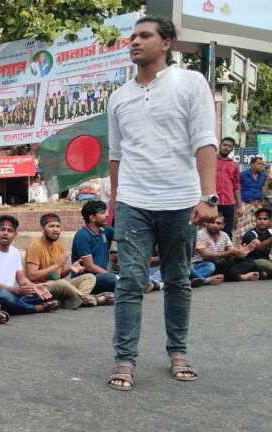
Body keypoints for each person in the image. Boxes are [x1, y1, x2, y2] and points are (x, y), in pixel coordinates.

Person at [106, 16, 218, 390]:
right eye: (132, 36)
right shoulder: (118, 97)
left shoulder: (190, 82)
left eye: (144, 35)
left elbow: (205, 140)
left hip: (182, 202)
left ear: (166, 43)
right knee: (130, 281)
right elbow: (116, 155)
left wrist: (208, 196)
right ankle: (124, 360)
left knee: (177, 280)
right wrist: (114, 202)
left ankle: (178, 352)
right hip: (134, 201)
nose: (134, 41)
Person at [0, 215, 59, 315]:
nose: (5, 233)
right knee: (4, 295)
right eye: (2, 229)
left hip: (10, 293)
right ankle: (36, 308)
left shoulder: (15, 252)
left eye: (10, 231)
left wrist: (34, 287)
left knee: (40, 294)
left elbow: (21, 279)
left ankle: (9, 306)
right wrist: (17, 291)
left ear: (15, 234)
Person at [26, 213, 114, 309]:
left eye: (58, 226)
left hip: (58, 286)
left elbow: (59, 275)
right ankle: (95, 299)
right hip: (42, 288)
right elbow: (31, 275)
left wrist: (70, 269)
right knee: (62, 283)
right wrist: (56, 265)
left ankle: (70, 300)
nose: (55, 229)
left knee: (89, 277)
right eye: (51, 226)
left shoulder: (58, 245)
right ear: (43, 229)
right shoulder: (35, 246)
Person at [70, 201, 118, 294]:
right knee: (112, 278)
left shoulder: (105, 230)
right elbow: (89, 266)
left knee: (133, 274)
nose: (107, 215)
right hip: (87, 279)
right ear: (92, 217)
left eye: (106, 212)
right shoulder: (82, 236)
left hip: (102, 275)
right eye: (103, 213)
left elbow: (124, 236)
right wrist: (110, 275)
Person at [192, 215, 259, 282]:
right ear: (207, 223)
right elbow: (206, 255)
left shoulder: (224, 235)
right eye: (212, 222)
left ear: (223, 225)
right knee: (217, 262)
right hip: (203, 264)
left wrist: (239, 252)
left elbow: (232, 251)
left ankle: (227, 275)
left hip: (221, 265)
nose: (215, 225)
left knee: (248, 261)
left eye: (218, 223)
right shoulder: (200, 234)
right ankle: (241, 277)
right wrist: (231, 252)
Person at [216, 137, 242, 239]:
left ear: (232, 149)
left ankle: (227, 254)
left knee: (227, 232)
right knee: (210, 229)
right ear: (220, 145)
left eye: (229, 146)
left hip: (228, 203)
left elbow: (236, 186)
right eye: (225, 145)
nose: (226, 147)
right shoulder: (211, 161)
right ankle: (210, 254)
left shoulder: (234, 165)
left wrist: (239, 206)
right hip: (212, 202)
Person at [235, 157, 266, 244]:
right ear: (252, 164)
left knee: (257, 227)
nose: (261, 165)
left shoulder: (263, 176)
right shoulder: (242, 175)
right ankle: (240, 251)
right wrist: (239, 205)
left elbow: (264, 189)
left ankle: (255, 251)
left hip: (258, 205)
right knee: (242, 229)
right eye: (259, 164)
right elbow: (236, 189)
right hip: (245, 204)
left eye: (262, 164)